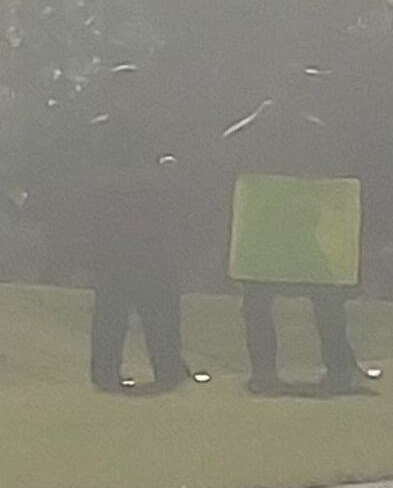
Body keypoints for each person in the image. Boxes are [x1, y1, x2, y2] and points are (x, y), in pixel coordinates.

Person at [222, 66, 366, 395]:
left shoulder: (314, 129)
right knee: (264, 301)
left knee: (324, 299)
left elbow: (334, 168)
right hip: (268, 228)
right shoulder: (263, 124)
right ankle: (267, 370)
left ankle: (337, 366)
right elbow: (227, 146)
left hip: (300, 227)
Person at [78, 86, 193, 392]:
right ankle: (105, 372)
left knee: (161, 308)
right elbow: (89, 180)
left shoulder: (156, 129)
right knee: (112, 310)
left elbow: (173, 175)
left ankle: (168, 367)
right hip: (114, 234)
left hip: (153, 233)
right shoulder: (98, 134)